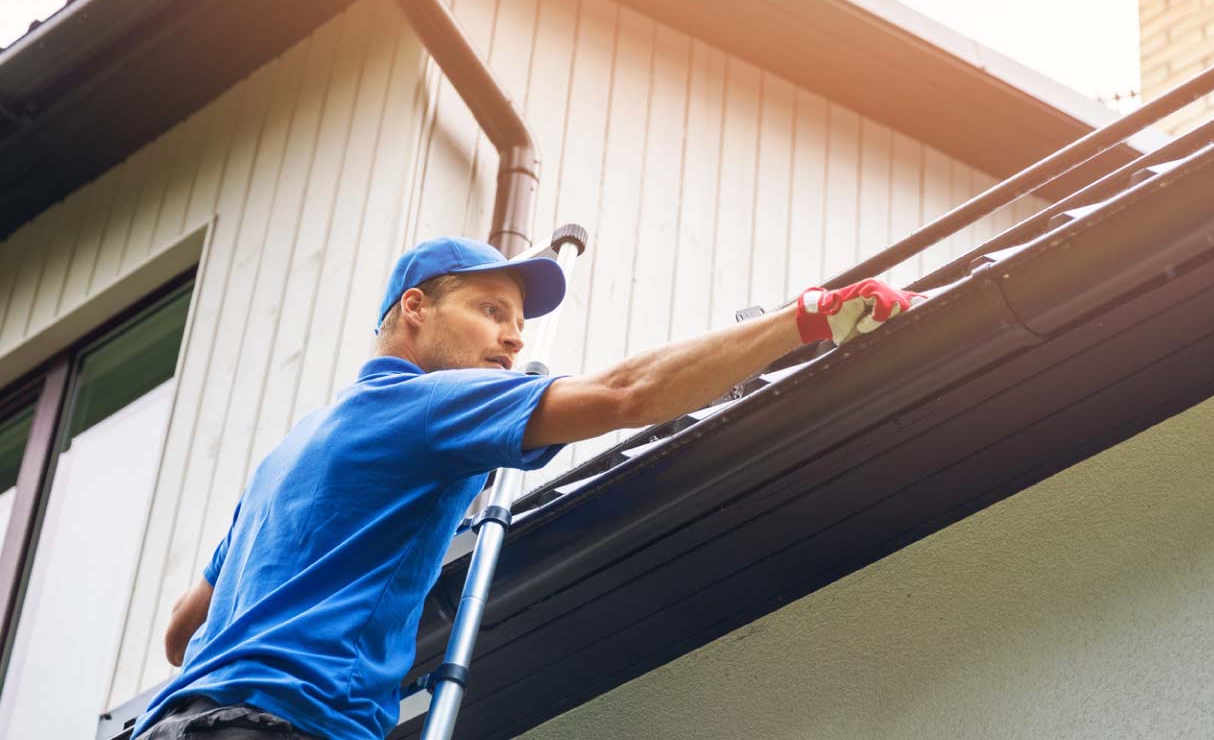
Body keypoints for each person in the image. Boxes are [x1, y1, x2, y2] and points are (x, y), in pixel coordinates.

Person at [133, 236, 922, 740]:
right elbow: (627, 393)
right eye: (490, 310)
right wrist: (805, 318)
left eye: (518, 322)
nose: (514, 337)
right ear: (415, 309)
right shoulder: (423, 404)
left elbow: (180, 632)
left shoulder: (289, 453)